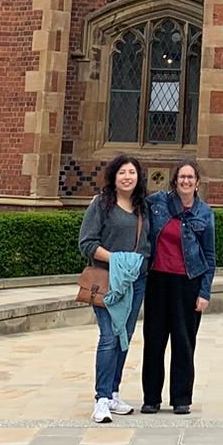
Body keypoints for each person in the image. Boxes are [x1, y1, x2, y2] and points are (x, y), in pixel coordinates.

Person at [77, 152, 150, 423]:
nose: (127, 177)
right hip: (106, 280)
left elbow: (146, 245)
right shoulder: (101, 205)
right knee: (108, 337)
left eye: (132, 172)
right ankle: (101, 398)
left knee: (124, 337)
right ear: (114, 176)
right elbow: (86, 243)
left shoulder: (144, 207)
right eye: (122, 172)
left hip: (135, 283)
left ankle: (114, 391)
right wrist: (118, 259)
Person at [141, 159, 217, 415]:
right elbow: (132, 205)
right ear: (175, 181)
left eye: (190, 178)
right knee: (154, 340)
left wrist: (204, 292)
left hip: (188, 282)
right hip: (158, 281)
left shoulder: (205, 212)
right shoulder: (157, 203)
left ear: (197, 183)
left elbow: (209, 254)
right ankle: (151, 397)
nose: (186, 181)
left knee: (184, 343)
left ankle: (181, 398)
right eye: (182, 177)